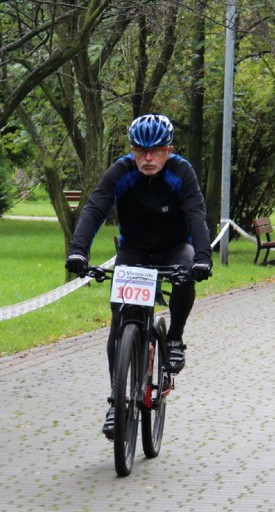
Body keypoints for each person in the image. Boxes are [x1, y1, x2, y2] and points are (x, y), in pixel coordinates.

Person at [65, 114, 213, 438]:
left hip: (175, 249)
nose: (148, 158)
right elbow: (94, 208)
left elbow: (196, 213)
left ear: (168, 150)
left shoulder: (181, 172)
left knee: (187, 271)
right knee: (118, 327)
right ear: (132, 150)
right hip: (133, 252)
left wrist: (203, 258)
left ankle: (174, 337)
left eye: (156, 150)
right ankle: (117, 402)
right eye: (140, 150)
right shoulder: (121, 171)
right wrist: (78, 252)